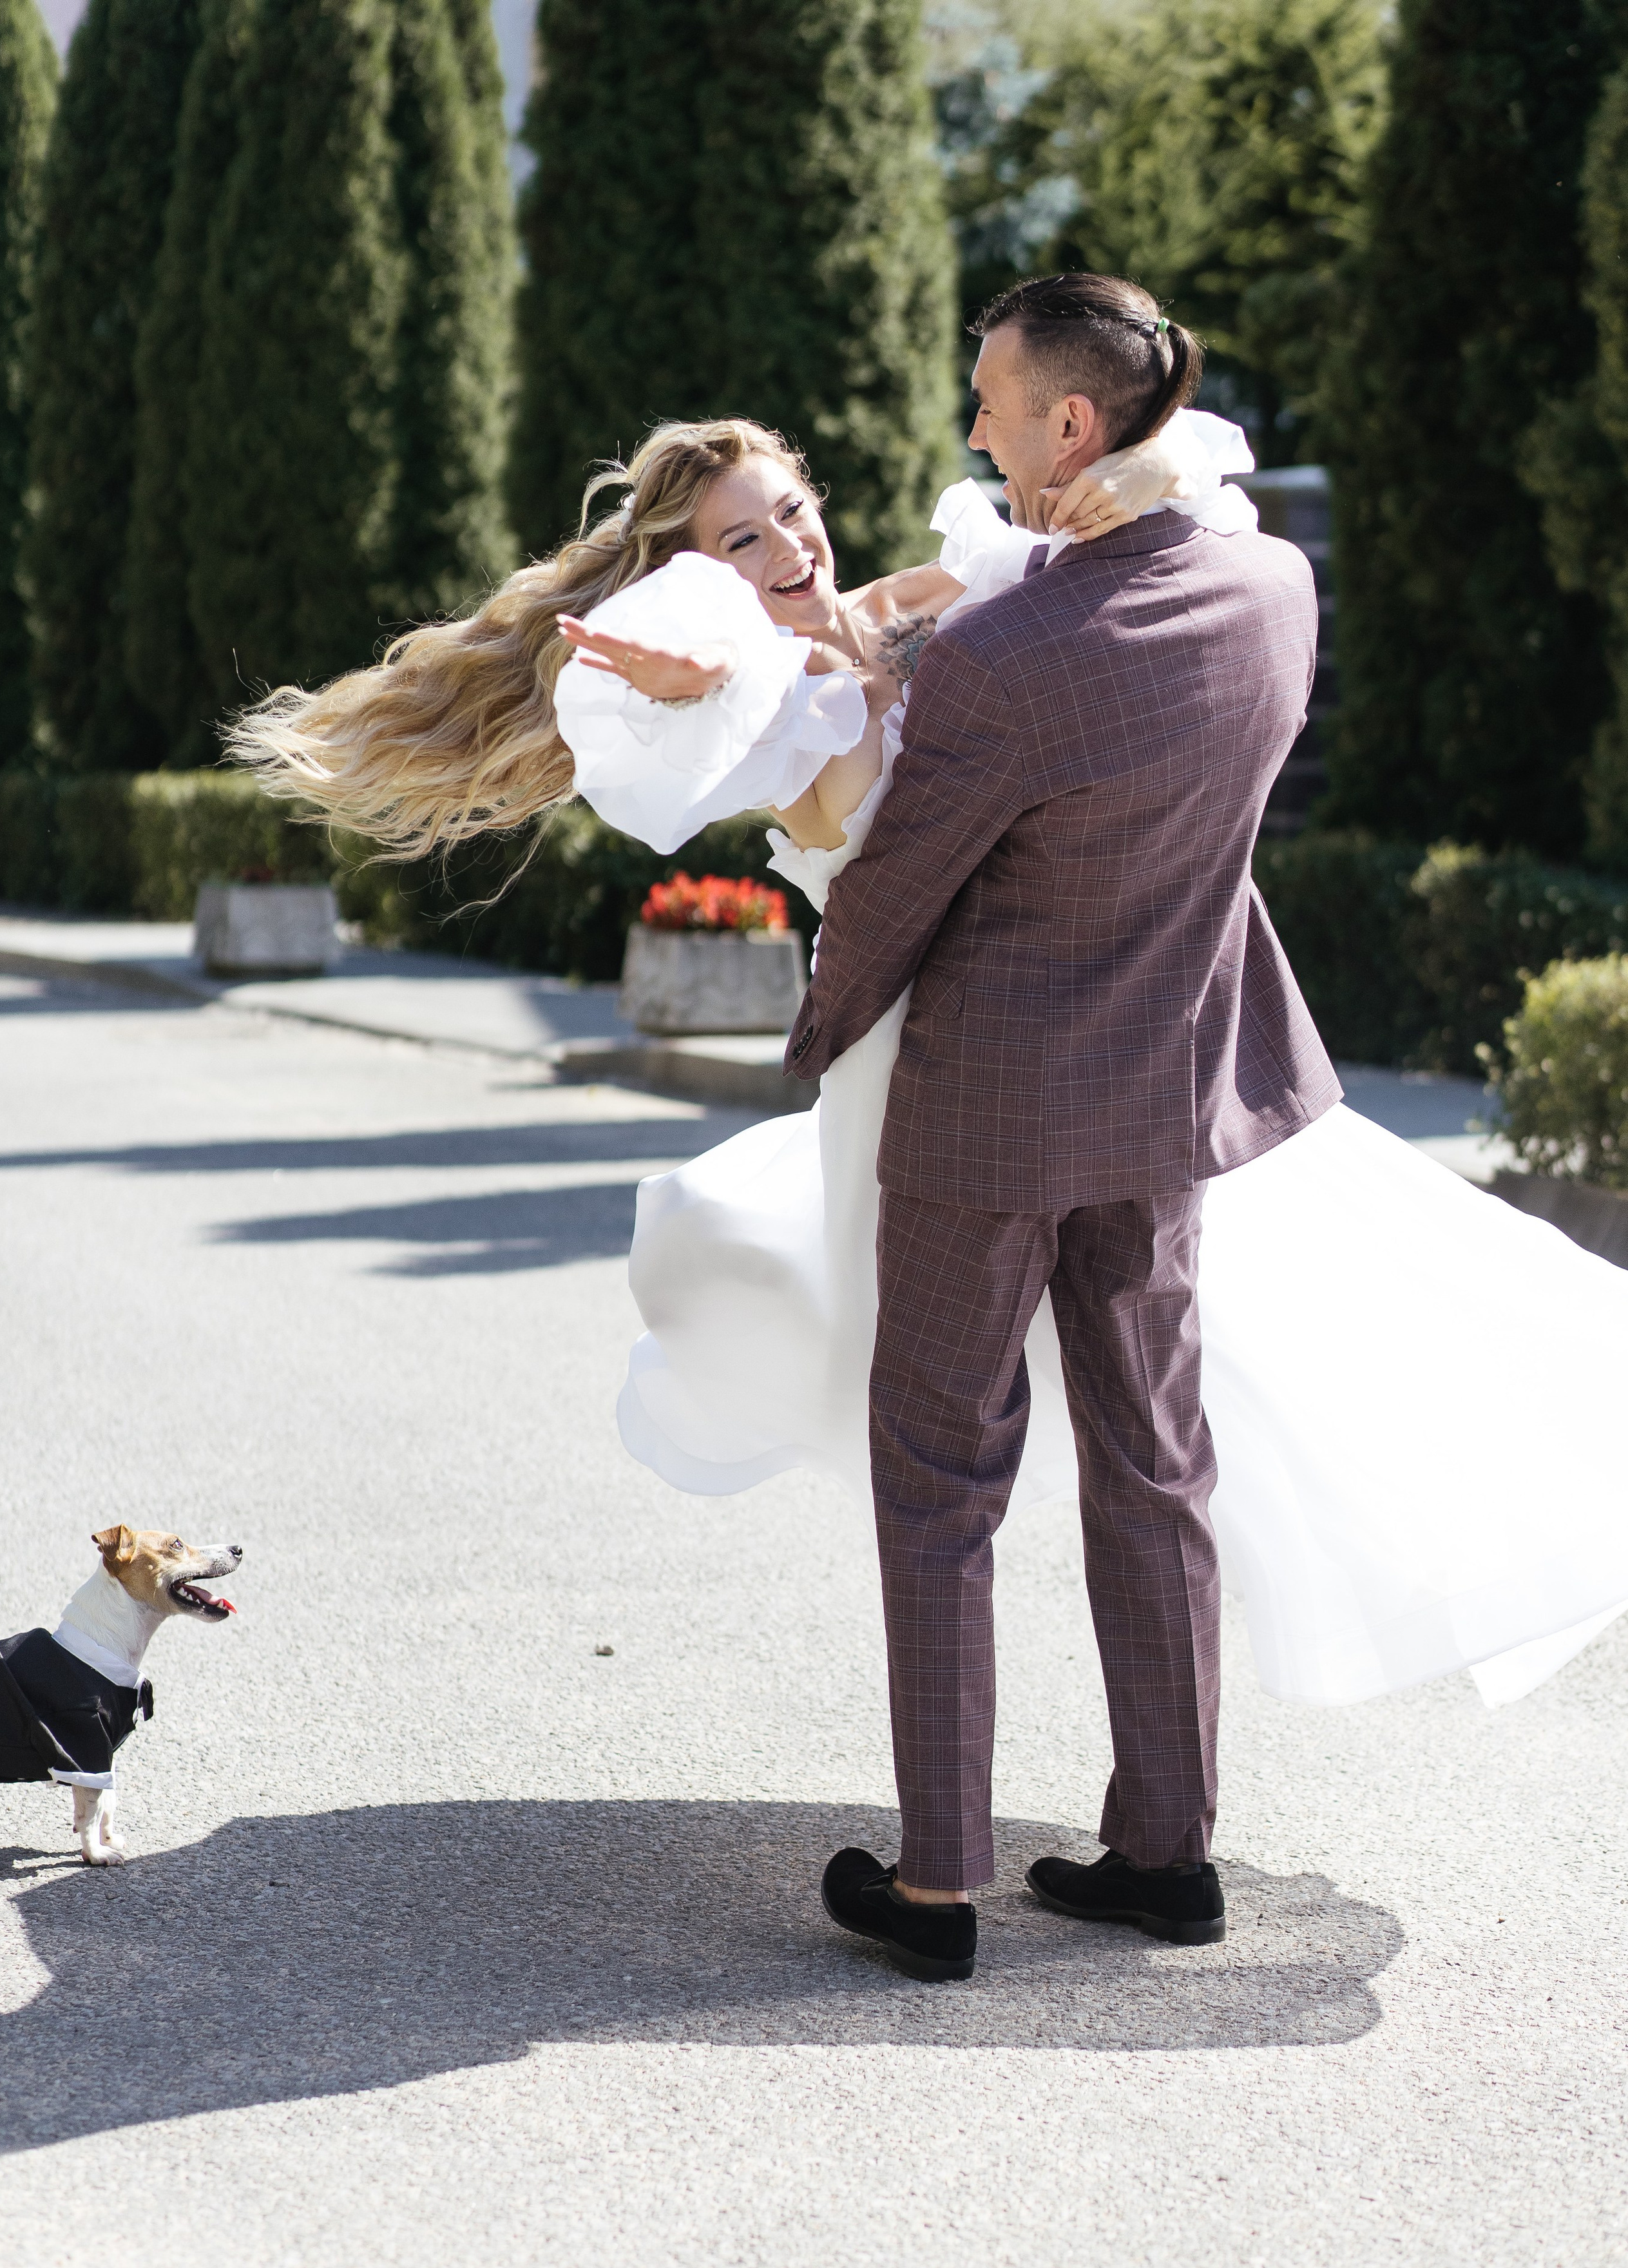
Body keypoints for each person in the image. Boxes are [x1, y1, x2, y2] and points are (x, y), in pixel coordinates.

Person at [233, 286, 1628, 1988]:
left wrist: (819, 1029)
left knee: (943, 1481)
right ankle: (1164, 1850)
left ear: (1069, 425)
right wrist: (714, 668)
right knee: (1158, 1457)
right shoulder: (1265, 587)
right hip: (1163, 1088)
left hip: (964, 1098)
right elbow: (868, 677)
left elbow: (888, 895)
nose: (803, 534)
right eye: (744, 536)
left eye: (796, 510)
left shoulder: (984, 644)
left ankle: (943, 1887)